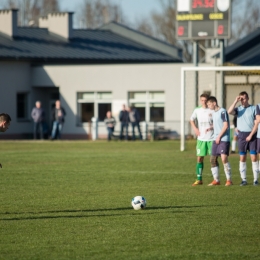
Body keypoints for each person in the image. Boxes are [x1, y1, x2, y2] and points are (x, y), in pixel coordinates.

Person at [228, 91, 258, 186]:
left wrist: (251, 135)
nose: (242, 101)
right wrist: (235, 101)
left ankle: (255, 180)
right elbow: (229, 111)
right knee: (242, 157)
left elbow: (256, 123)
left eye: (244, 98)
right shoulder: (238, 109)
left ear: (248, 98)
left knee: (254, 157)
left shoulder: (254, 108)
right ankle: (244, 180)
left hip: (252, 135)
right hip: (241, 136)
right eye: (241, 99)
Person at [206, 96, 232, 186]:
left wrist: (219, 137)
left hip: (223, 139)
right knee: (212, 159)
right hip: (216, 138)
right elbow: (218, 124)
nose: (208, 106)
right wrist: (210, 128)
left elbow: (225, 125)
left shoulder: (223, 111)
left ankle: (229, 180)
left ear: (214, 103)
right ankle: (216, 180)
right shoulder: (214, 113)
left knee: (224, 158)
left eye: (209, 104)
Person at [190, 93, 214, 186]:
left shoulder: (212, 110)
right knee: (199, 158)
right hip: (201, 139)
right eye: (202, 100)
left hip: (211, 138)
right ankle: (199, 179)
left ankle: (215, 179)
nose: (203, 102)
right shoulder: (197, 110)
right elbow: (191, 120)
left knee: (213, 159)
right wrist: (195, 129)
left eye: (205, 100)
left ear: (208, 100)